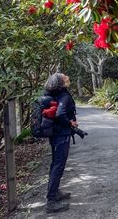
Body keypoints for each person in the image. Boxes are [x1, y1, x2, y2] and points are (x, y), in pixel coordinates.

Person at [43, 73, 77, 213]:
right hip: (61, 135)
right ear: (61, 82)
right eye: (64, 77)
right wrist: (70, 122)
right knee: (58, 165)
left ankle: (55, 192)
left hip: (54, 133)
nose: (67, 77)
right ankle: (51, 201)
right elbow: (60, 114)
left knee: (55, 163)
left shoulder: (54, 94)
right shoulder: (64, 96)